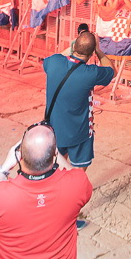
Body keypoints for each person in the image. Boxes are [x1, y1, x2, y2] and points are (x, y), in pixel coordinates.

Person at [0, 123, 92, 259]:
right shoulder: (77, 184)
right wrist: (54, 152)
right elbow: (75, 174)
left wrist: (4, 169)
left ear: (19, 155)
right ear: (55, 153)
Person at [41, 31, 115, 170]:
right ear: (92, 52)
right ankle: (75, 189)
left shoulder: (54, 62)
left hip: (54, 128)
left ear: (75, 46)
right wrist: (99, 51)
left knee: (55, 165)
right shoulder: (91, 73)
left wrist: (73, 47)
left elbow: (56, 57)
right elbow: (111, 71)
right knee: (79, 169)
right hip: (79, 131)